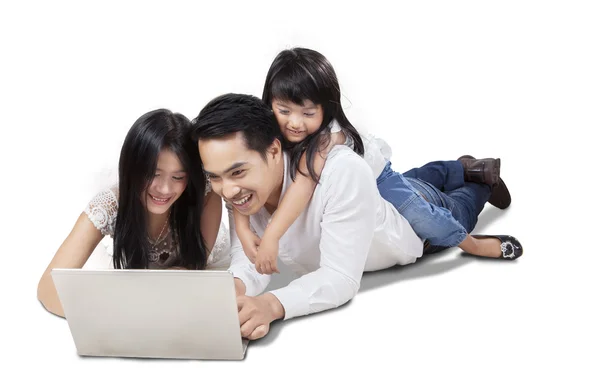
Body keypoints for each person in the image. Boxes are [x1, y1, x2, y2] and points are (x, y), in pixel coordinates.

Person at [190, 93, 523, 341]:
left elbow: (339, 277)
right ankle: (455, 166)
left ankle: (478, 178)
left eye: (237, 172)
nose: (227, 190)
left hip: (409, 228)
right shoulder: (242, 191)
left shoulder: (338, 170)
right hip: (374, 194)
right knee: (410, 178)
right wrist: (235, 288)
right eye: (215, 177)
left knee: (459, 210)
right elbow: (248, 255)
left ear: (274, 151)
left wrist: (272, 304)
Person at [233, 47, 518, 276]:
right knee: (414, 178)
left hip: (376, 179)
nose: (294, 123)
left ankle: (473, 241)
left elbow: (303, 186)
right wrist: (243, 229)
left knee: (421, 215)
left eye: (308, 114)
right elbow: (236, 175)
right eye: (284, 110)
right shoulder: (267, 129)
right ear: (269, 101)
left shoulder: (322, 141)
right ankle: (461, 167)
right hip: (366, 183)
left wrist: (271, 236)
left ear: (327, 108)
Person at [37, 109, 229, 317]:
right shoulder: (108, 206)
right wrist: (109, 316)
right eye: (154, 174)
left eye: (177, 177)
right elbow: (48, 288)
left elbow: (194, 268)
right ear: (133, 168)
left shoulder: (205, 192)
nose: (164, 189)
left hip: (195, 284)